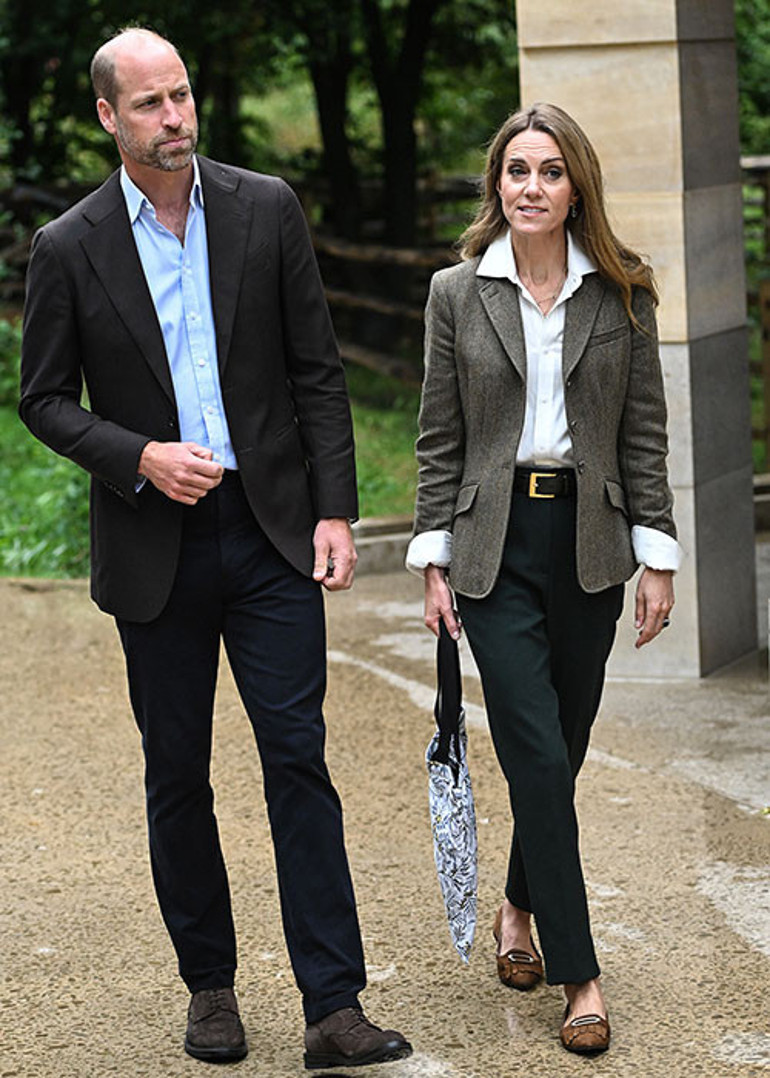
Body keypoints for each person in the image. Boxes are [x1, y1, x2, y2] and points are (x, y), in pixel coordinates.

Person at [20, 27, 412, 1070]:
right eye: (150, 103)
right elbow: (44, 400)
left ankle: (333, 1005)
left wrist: (335, 510)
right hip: (155, 547)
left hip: (270, 531)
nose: (175, 117)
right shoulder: (68, 245)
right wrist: (139, 456)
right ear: (108, 116)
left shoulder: (265, 207)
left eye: (182, 96)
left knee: (298, 761)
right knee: (176, 774)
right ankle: (210, 989)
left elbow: (316, 368)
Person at [407, 102, 681, 1055]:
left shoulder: (623, 292)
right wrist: (432, 558)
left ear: (576, 189)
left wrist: (657, 554)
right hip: (493, 546)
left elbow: (643, 433)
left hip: (590, 546)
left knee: (560, 749)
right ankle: (581, 974)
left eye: (551, 172)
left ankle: (517, 908)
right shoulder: (456, 294)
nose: (531, 186)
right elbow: (439, 436)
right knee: (534, 746)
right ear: (498, 183)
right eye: (517, 170)